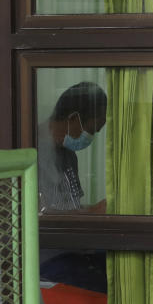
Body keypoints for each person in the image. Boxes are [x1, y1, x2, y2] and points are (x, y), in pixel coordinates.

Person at [38, 81, 107, 213]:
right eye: (92, 129)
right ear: (74, 118)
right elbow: (41, 215)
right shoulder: (32, 152)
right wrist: (92, 212)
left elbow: (69, 208)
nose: (91, 137)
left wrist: (96, 209)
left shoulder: (68, 154)